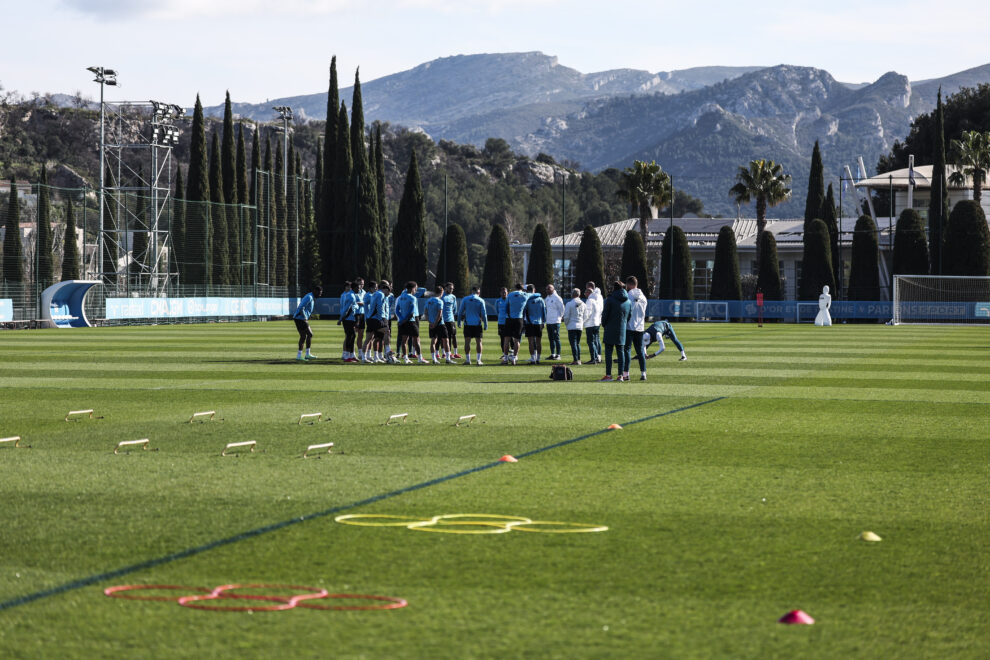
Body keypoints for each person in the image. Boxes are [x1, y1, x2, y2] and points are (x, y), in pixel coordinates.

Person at [599, 281, 631, 381]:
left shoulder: (610, 300)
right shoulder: (628, 301)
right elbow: (629, 316)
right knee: (621, 352)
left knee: (608, 352)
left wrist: (604, 324)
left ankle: (608, 375)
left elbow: (605, 314)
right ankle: (620, 375)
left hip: (610, 328)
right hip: (622, 329)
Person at [623, 276, 649, 381]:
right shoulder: (643, 297)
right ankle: (643, 373)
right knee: (640, 351)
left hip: (629, 326)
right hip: (640, 327)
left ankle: (626, 374)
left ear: (629, 285)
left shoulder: (628, 296)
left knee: (627, 350)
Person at [395, 281, 428, 364]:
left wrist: (402, 320)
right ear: (412, 288)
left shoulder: (401, 297)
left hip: (403, 321)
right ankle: (420, 358)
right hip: (412, 321)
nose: (416, 290)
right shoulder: (413, 298)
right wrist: (406, 319)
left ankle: (406, 358)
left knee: (404, 340)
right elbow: (411, 311)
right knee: (416, 339)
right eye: (415, 288)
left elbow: (397, 309)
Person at [458, 285, 488, 365]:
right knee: (479, 342)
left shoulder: (465, 299)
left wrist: (459, 322)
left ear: (472, 291)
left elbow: (460, 312)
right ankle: (478, 360)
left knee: (467, 342)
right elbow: (484, 314)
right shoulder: (481, 300)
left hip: (468, 324)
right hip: (477, 324)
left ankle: (468, 360)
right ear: (478, 291)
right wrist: (486, 324)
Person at [293, 284, 323, 361]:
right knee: (309, 334)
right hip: (300, 318)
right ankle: (304, 355)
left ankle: (303, 355)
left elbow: (305, 309)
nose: (320, 295)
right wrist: (305, 317)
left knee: (304, 336)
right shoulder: (309, 297)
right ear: (315, 291)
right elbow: (301, 308)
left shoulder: (311, 297)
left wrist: (309, 315)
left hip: (300, 318)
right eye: (319, 293)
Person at [361, 281, 389, 363]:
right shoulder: (380, 294)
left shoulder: (374, 294)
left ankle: (364, 358)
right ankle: (388, 352)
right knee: (386, 332)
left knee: (369, 339)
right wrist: (380, 319)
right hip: (375, 319)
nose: (388, 293)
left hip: (369, 318)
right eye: (388, 291)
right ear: (384, 289)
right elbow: (379, 306)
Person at [426, 286, 452, 364]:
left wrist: (430, 322)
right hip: (440, 324)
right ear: (442, 292)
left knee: (433, 341)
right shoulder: (440, 301)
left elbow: (425, 312)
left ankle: (434, 359)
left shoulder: (428, 301)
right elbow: (439, 314)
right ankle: (448, 359)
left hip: (431, 324)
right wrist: (435, 324)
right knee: (446, 340)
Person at [504, 283, 528, 365]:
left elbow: (506, 306)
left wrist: (508, 315)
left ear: (515, 287)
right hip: (519, 319)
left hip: (510, 318)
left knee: (507, 339)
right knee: (517, 340)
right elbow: (537, 294)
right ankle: (514, 358)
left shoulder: (510, 295)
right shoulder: (525, 295)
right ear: (522, 288)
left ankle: (505, 358)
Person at [339, 280, 362, 363]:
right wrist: (341, 319)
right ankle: (347, 356)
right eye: (358, 288)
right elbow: (346, 309)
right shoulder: (351, 296)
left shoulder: (350, 295)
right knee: (350, 336)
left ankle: (351, 355)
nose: (359, 290)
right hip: (348, 319)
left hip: (350, 319)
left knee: (352, 336)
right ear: (354, 288)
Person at [523, 284, 546, 364]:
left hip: (529, 323)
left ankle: (533, 359)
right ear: (534, 290)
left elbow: (524, 311)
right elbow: (544, 312)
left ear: (527, 290)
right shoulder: (541, 299)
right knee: (538, 342)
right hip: (539, 322)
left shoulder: (527, 299)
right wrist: (544, 322)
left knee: (531, 342)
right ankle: (538, 358)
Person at [561, 288, 585, 365]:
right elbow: (586, 315)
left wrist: (566, 324)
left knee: (573, 343)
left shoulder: (569, 304)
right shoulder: (583, 304)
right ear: (579, 294)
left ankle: (576, 360)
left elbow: (566, 316)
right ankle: (578, 359)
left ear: (572, 294)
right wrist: (582, 322)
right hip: (580, 326)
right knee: (577, 343)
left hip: (572, 326)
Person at [583, 283, 603, 364]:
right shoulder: (597, 299)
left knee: (591, 341)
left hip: (590, 323)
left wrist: (583, 321)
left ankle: (593, 358)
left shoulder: (590, 300)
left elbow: (587, 313)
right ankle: (598, 357)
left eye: (585, 293)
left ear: (588, 293)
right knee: (596, 340)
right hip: (597, 322)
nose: (584, 294)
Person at [544, 284, 565, 360]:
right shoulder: (547, 298)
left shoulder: (557, 298)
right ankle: (553, 354)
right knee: (551, 338)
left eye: (549, 289)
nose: (547, 290)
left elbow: (562, 309)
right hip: (549, 321)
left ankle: (558, 355)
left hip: (555, 321)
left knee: (556, 338)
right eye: (547, 289)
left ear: (553, 289)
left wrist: (560, 317)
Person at [442, 282, 462, 359]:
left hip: (451, 320)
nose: (451, 290)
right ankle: (446, 353)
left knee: (454, 336)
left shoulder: (453, 297)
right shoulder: (442, 296)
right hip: (443, 320)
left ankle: (455, 353)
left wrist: (451, 316)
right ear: (445, 288)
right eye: (450, 288)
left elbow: (454, 309)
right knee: (445, 337)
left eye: (452, 289)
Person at [353, 277, 368, 361]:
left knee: (361, 335)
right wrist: (360, 303)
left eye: (362, 284)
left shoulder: (364, 292)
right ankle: (351, 353)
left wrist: (362, 303)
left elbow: (366, 302)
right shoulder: (353, 292)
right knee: (353, 335)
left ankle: (359, 353)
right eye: (360, 284)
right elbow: (353, 302)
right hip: (355, 315)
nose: (361, 285)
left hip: (362, 314)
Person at [495, 287, 509, 363]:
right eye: (502, 292)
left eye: (505, 292)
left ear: (507, 293)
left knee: (511, 339)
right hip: (501, 322)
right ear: (500, 293)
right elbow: (497, 311)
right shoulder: (498, 301)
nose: (504, 293)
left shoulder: (509, 300)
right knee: (502, 339)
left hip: (509, 322)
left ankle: (512, 354)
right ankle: (504, 354)